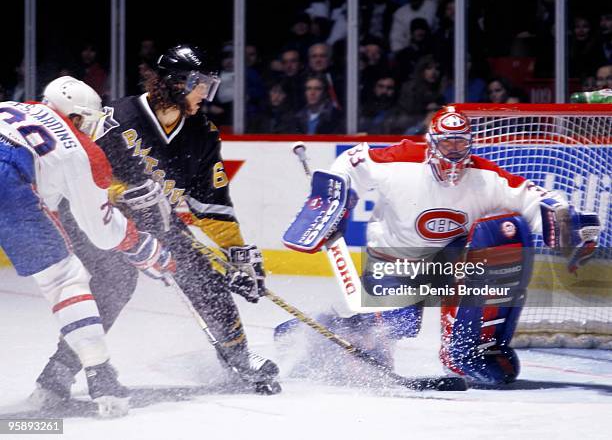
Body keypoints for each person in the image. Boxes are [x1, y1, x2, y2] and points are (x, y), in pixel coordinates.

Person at [280, 106, 600, 385]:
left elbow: (531, 196)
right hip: (395, 259)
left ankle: (469, 351)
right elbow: (352, 161)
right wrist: (335, 195)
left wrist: (563, 219)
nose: (454, 149)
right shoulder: (401, 160)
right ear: (431, 142)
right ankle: (319, 329)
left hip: (450, 264)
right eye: (447, 141)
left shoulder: (484, 176)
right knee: (395, 328)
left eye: (461, 141)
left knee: (505, 231)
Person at [34, 45, 281, 400]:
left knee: (201, 274)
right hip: (94, 216)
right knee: (117, 279)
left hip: (156, 221)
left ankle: (237, 355)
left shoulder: (202, 134)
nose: (206, 94)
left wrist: (237, 252)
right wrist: (119, 193)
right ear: (177, 84)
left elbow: (211, 203)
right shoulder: (113, 119)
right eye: (201, 84)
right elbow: (74, 172)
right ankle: (59, 370)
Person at [0, 80, 175, 417]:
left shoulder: (12, 108)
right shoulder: (81, 150)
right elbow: (103, 233)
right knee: (65, 278)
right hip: (8, 181)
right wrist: (143, 245)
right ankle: (100, 374)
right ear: (77, 117)